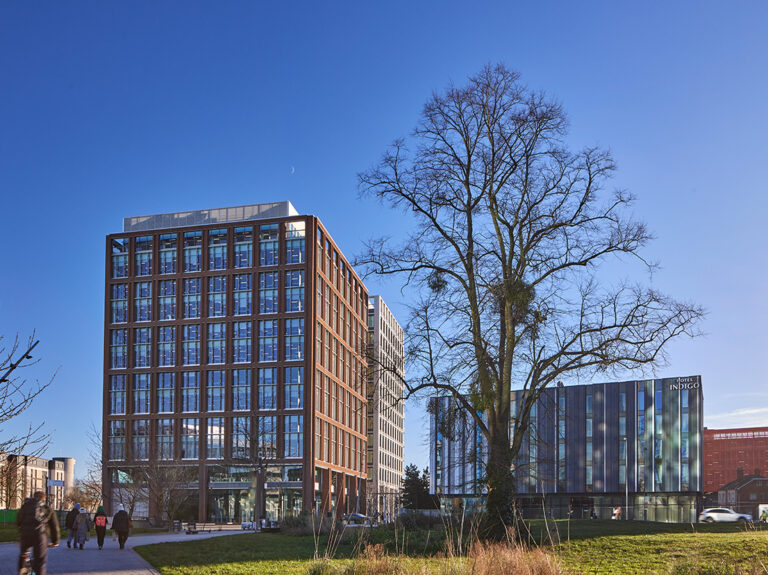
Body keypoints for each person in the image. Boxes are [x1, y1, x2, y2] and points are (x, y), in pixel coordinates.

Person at [17, 490, 60, 575]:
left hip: (25, 534)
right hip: (39, 535)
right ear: (44, 499)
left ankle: (22, 566)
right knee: (40, 560)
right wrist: (55, 541)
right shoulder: (47, 508)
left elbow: (19, 520)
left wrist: (21, 532)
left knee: (23, 554)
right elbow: (54, 526)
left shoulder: (25, 506)